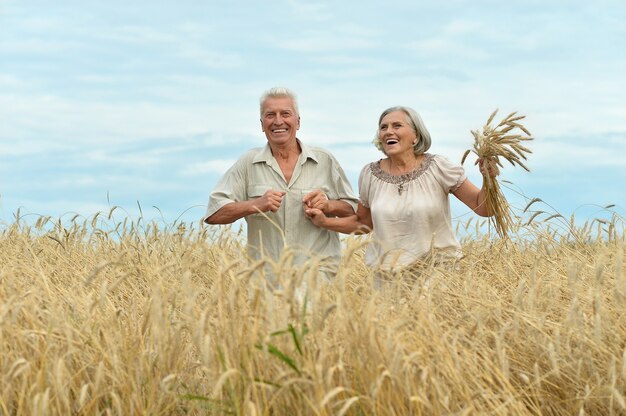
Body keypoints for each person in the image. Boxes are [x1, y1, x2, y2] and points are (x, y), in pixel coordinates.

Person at [305, 105, 496, 281]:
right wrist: (325, 222)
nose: (389, 131)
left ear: (416, 136)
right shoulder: (370, 174)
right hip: (388, 280)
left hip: (438, 275)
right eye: (383, 127)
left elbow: (484, 208)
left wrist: (489, 179)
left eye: (397, 125)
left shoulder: (439, 167)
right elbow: (363, 223)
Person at [203, 87, 358, 286]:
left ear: (298, 122)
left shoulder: (324, 160)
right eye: (270, 115)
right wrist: (256, 204)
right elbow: (214, 214)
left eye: (285, 114)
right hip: (266, 282)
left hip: (318, 277)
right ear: (261, 124)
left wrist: (328, 205)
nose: (278, 121)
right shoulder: (248, 162)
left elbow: (355, 214)